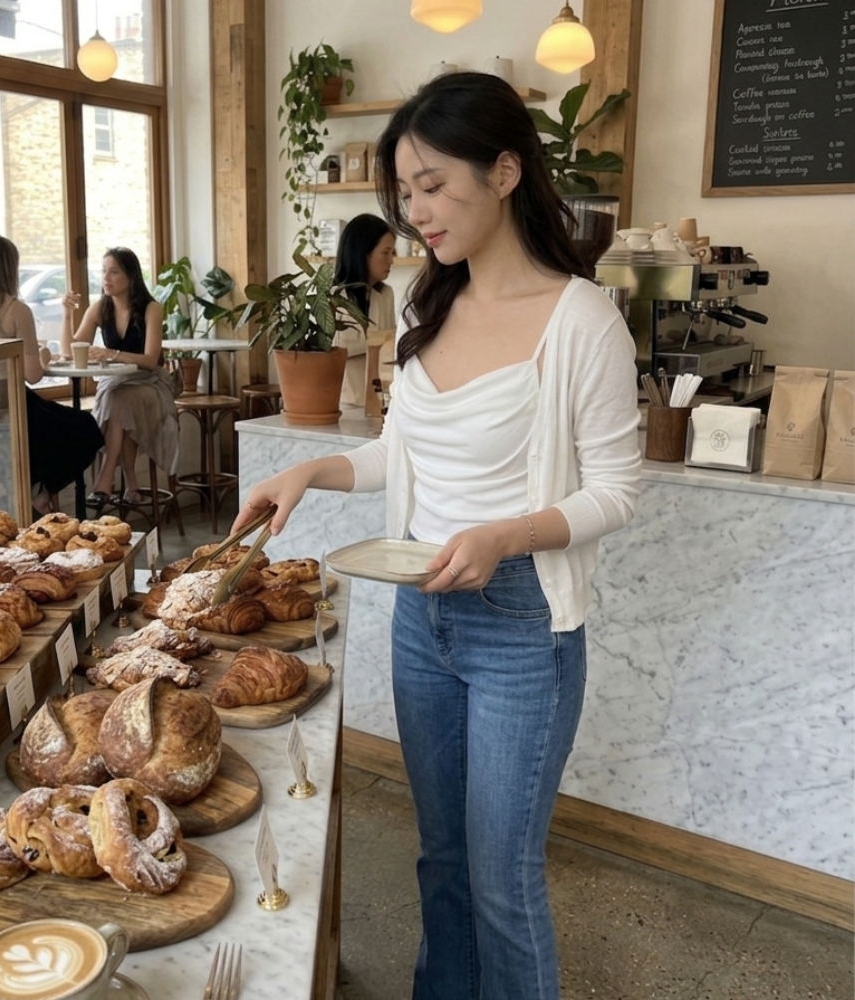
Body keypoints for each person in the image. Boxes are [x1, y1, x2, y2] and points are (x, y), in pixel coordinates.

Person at [234, 71, 642, 1000]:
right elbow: (399, 455)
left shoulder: (582, 321)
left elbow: (619, 492)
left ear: (504, 172)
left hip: (521, 627)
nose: (415, 212)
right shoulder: (428, 303)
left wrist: (505, 536)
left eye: (432, 185)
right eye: (406, 192)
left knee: (502, 879)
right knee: (441, 857)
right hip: (420, 613)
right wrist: (309, 470)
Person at [0, 234, 104, 515]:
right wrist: (43, 355)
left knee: (51, 427)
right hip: (9, 408)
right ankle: (35, 491)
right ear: (9, 268)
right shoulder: (15, 309)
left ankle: (5, 486)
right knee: (84, 427)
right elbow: (33, 375)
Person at [62, 246, 179, 506]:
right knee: (119, 402)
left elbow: (150, 361)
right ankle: (130, 485)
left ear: (131, 276)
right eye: (103, 271)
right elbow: (70, 352)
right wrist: (67, 314)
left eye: (113, 272)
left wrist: (111, 354)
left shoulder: (151, 309)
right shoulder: (98, 309)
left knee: (119, 401)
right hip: (116, 386)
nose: (106, 278)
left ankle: (105, 480)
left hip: (150, 384)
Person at [332, 213, 397, 407]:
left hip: (378, 402)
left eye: (392, 253)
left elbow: (389, 348)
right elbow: (328, 352)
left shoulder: (385, 294)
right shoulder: (332, 296)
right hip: (341, 402)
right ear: (363, 253)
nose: (391, 260)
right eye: (385, 253)